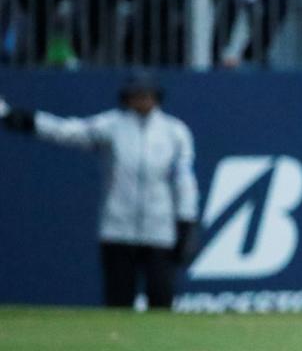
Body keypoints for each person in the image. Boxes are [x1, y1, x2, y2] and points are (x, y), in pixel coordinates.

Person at [0, 72, 199, 309]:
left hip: (159, 229)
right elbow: (66, 131)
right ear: (127, 97)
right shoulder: (112, 126)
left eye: (147, 94)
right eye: (137, 94)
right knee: (118, 302)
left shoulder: (174, 132)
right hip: (117, 229)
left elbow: (184, 181)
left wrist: (186, 224)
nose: (142, 100)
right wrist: (12, 116)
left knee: (161, 299)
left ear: (157, 97)